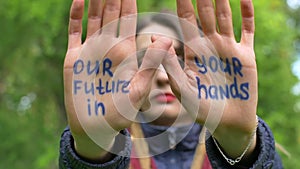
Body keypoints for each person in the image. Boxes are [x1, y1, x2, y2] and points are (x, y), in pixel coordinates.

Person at [59, 0, 283, 168]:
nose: (164, 77)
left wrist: (240, 144)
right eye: (146, 59)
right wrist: (91, 150)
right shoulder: (114, 144)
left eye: (178, 57)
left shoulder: (247, 144)